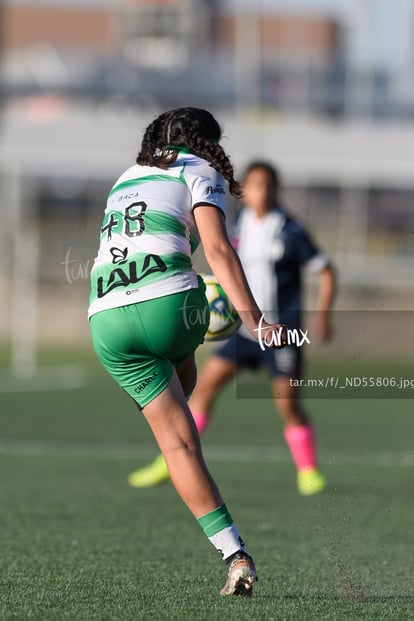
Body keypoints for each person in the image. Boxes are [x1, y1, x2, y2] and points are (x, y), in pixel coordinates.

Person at [88, 110, 288, 596]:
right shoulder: (201, 169)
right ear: (207, 142)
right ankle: (233, 552)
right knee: (185, 398)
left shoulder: (125, 177)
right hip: (173, 308)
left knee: (174, 443)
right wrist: (256, 322)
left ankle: (233, 553)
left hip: (105, 319)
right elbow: (217, 250)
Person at [128, 160, 336, 496]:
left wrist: (323, 316)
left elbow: (325, 270)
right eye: (254, 185)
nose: (261, 192)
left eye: (268, 185)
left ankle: (308, 470)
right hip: (242, 332)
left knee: (287, 405)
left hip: (279, 334)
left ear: (275, 189)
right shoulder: (237, 225)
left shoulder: (290, 231)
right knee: (204, 387)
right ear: (245, 191)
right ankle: (169, 462)